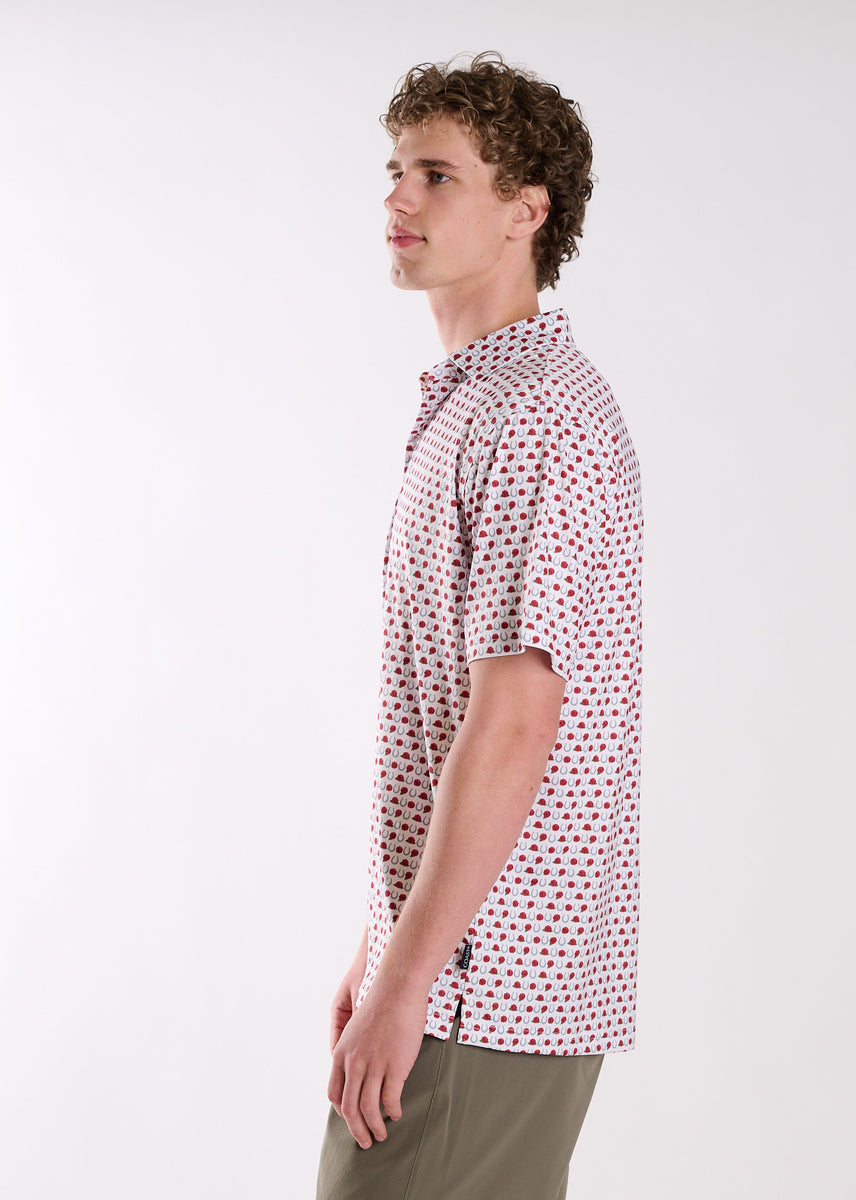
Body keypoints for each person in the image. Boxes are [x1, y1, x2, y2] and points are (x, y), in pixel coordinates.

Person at [315, 51, 643, 1200]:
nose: (398, 197)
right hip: (460, 972)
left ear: (525, 210)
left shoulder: (535, 416)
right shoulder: (480, 405)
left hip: (479, 986)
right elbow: (448, 711)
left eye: (437, 175)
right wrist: (383, 942)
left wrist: (409, 979)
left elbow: (514, 725)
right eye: (395, 171)